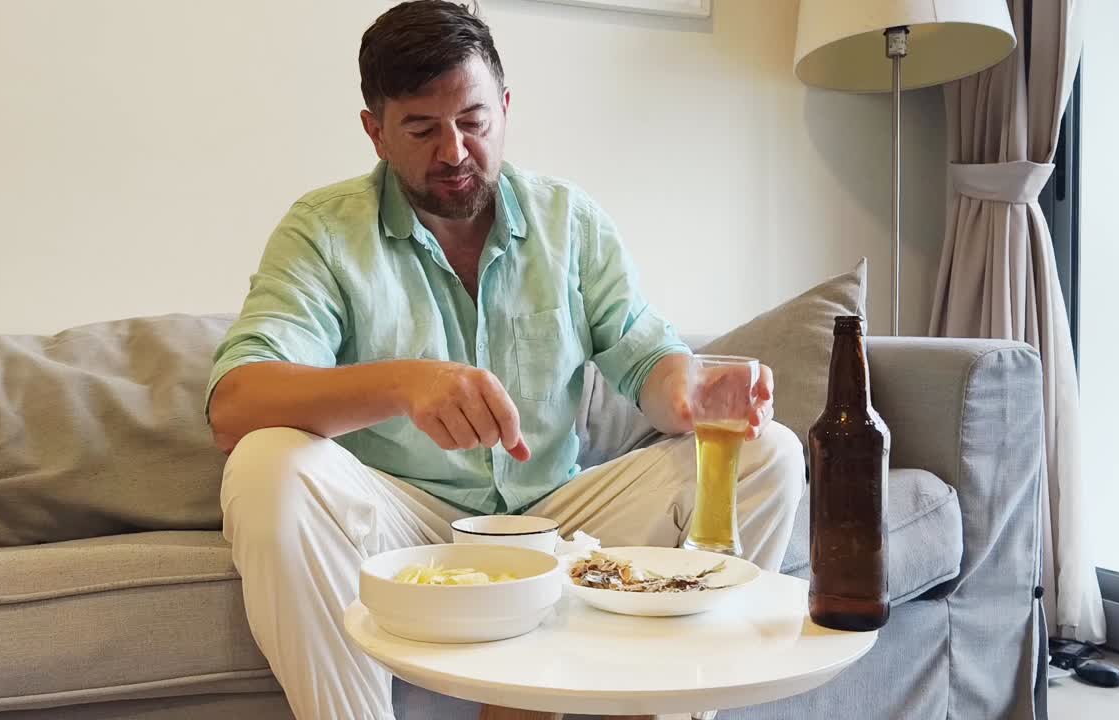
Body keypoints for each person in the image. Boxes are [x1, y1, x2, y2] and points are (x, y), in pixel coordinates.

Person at [206, 2, 804, 719]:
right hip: (410, 526)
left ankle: (649, 704)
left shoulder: (571, 221)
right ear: (375, 133)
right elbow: (235, 404)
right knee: (265, 462)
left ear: (506, 108)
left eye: (474, 122)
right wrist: (404, 383)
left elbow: (647, 356)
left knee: (770, 452)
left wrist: (691, 394)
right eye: (422, 129)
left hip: (559, 520)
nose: (454, 152)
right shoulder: (323, 232)